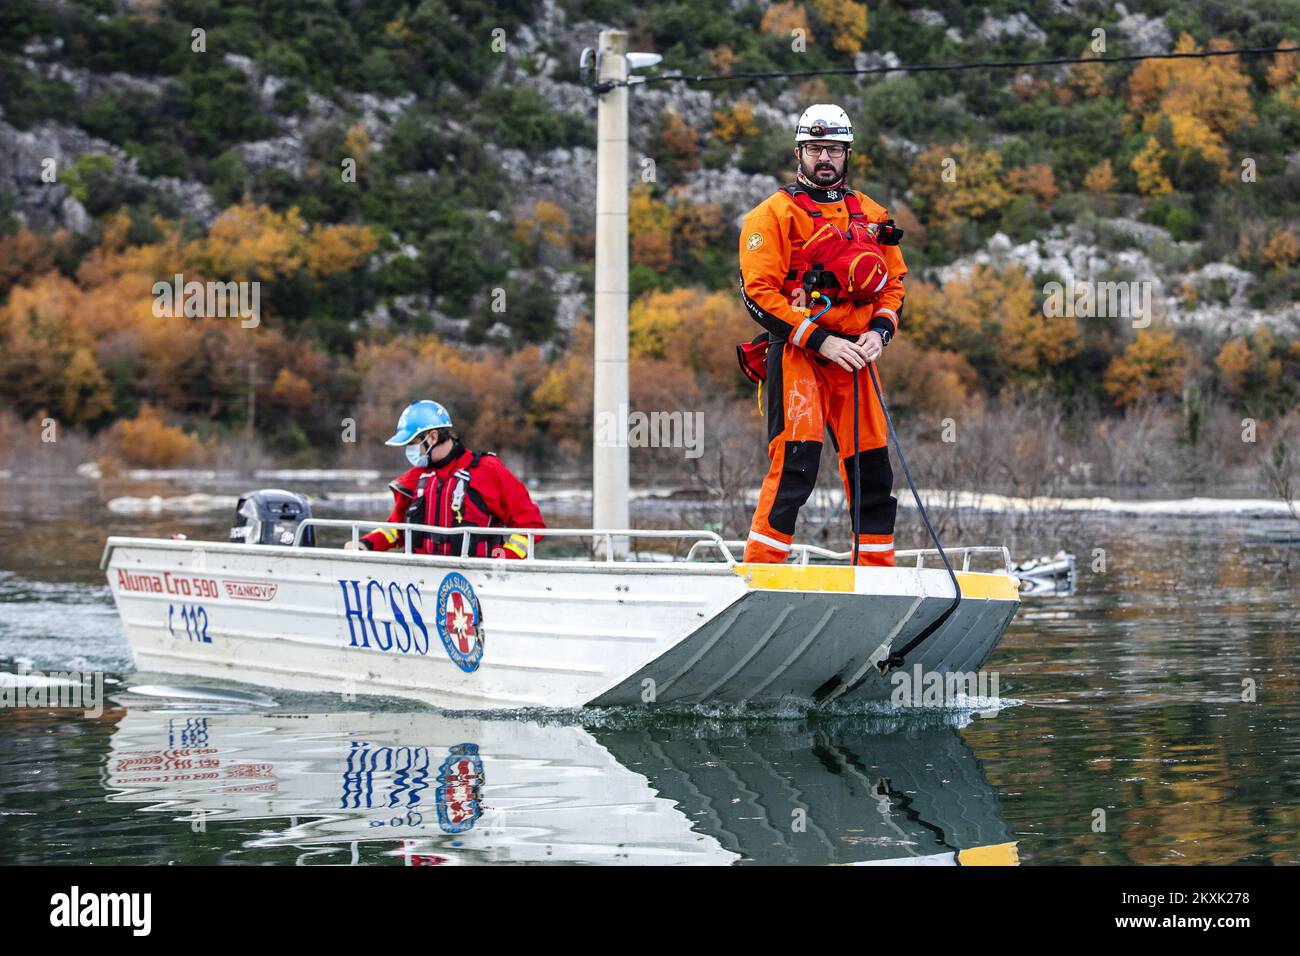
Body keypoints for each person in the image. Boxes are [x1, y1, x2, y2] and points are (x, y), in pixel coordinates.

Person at [738, 104, 907, 566]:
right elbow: (757, 295)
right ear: (799, 152)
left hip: (857, 359)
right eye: (815, 149)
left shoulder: (873, 214)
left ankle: (876, 577)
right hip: (800, 356)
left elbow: (893, 285)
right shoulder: (771, 215)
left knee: (873, 470)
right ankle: (763, 572)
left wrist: (879, 333)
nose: (824, 157)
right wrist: (820, 340)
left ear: (847, 153)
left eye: (832, 148)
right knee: (796, 464)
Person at [346, 400, 545, 557]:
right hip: (424, 582)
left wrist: (504, 559)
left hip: (477, 581)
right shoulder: (415, 478)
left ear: (432, 437)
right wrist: (365, 544)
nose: (409, 451)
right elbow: (396, 529)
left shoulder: (488, 470)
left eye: (412, 443)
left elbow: (531, 525)